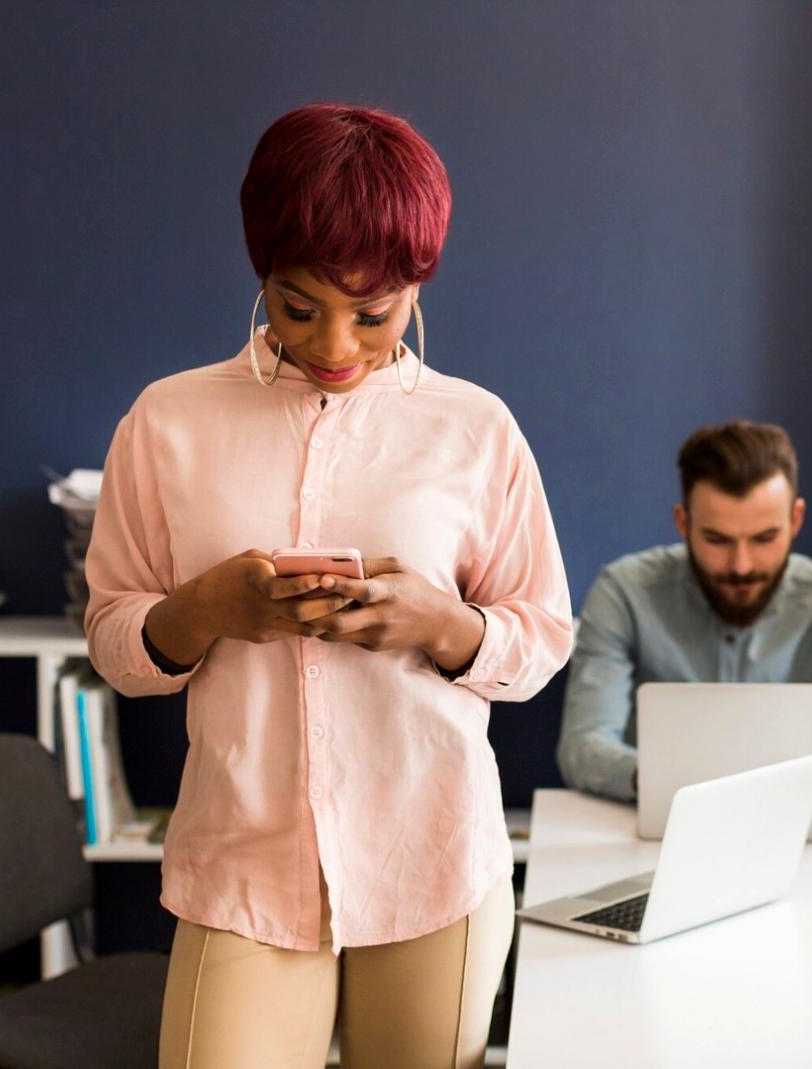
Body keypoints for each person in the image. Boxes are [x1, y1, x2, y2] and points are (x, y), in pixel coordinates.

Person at [84, 103, 573, 1069]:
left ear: (417, 286)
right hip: (245, 862)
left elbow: (541, 637)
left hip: (435, 852)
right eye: (297, 305)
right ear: (260, 275)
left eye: (374, 312)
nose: (335, 344)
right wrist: (208, 611)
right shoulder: (167, 421)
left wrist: (450, 628)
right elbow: (114, 638)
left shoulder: (476, 430)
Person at [557, 420, 812, 801]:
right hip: (653, 826)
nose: (741, 565)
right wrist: (668, 783)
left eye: (765, 538)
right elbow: (583, 747)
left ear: (795, 520)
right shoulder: (624, 593)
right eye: (717, 540)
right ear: (683, 523)